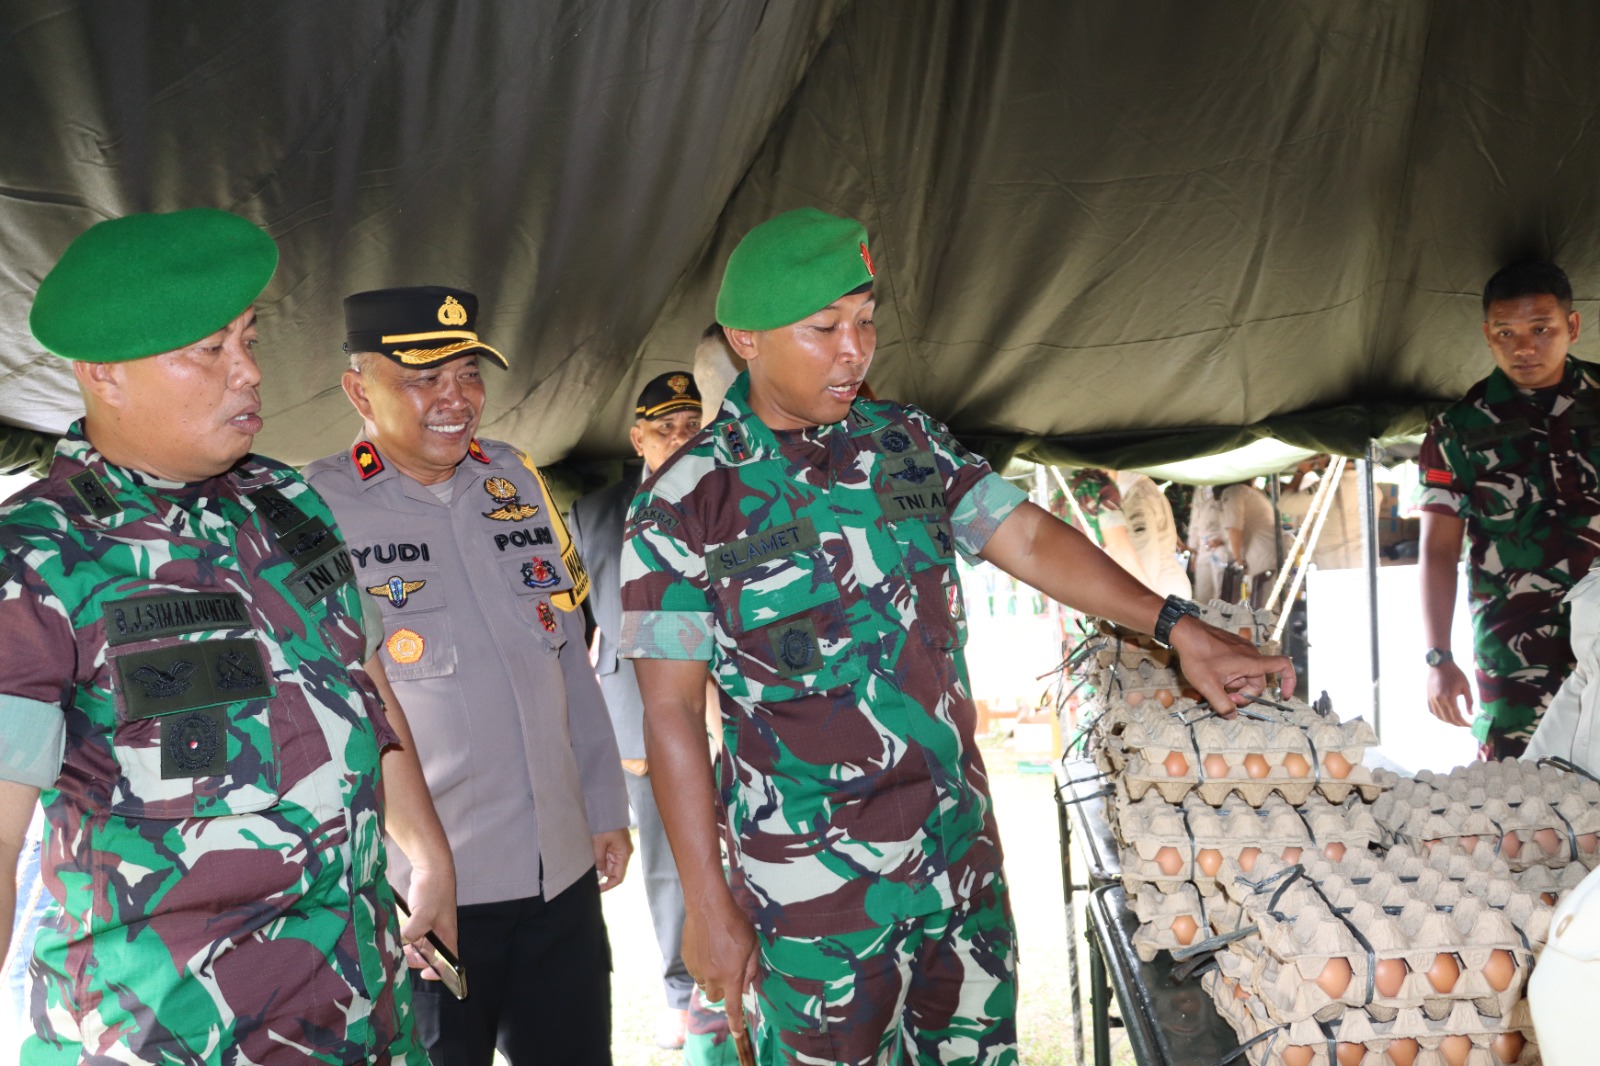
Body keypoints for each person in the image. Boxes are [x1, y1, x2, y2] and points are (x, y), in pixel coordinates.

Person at [619, 207, 1296, 1063]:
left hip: (958, 868)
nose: (855, 350)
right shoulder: (684, 504)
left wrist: (1179, 626)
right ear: (746, 339)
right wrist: (708, 904)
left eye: (866, 321)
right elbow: (672, 713)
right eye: (824, 328)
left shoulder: (907, 443)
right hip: (816, 904)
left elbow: (1028, 538)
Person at [0, 209, 455, 1064]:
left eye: (248, 339)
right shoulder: (35, 557)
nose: (249, 371)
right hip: (172, 1035)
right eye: (209, 350)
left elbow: (362, 680)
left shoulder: (287, 502)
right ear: (104, 373)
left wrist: (428, 856)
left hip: (363, 1011)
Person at [304, 286, 631, 1066]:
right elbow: (329, 711)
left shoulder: (514, 479)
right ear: (360, 391)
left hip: (559, 876)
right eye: (425, 378)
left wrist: (602, 801)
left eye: (469, 374)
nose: (458, 399)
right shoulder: (314, 509)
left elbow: (568, 651)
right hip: (426, 896)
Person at [568, 371, 704, 1050]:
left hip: (732, 706)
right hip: (640, 712)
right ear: (637, 438)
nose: (679, 441)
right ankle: (683, 991)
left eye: (692, 428)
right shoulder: (593, 516)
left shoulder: (735, 496)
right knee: (667, 858)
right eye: (664, 429)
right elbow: (571, 634)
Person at [1419, 260, 1600, 759]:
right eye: (1506, 332)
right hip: (1516, 651)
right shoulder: (1457, 429)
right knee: (1517, 784)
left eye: (1541, 329)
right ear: (1487, 334)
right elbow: (1438, 550)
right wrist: (1438, 658)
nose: (1524, 348)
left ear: (1573, 326)